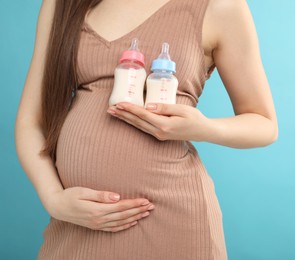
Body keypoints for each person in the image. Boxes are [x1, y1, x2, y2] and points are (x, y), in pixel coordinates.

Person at [15, 0, 278, 259]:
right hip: (78, 220)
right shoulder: (63, 4)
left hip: (172, 218)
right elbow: (31, 121)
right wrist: (54, 199)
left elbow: (264, 123)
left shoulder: (220, 6)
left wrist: (203, 128)